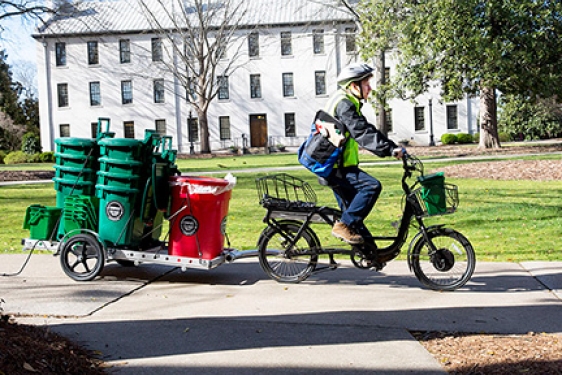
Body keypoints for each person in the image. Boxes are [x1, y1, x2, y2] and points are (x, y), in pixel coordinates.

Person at [325, 62, 405, 245]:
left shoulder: (344, 100)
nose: (370, 88)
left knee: (353, 214)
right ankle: (342, 226)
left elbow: (364, 129)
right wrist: (390, 149)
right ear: (354, 86)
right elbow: (361, 132)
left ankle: (371, 255)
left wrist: (389, 145)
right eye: (366, 84)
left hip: (336, 167)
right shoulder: (344, 105)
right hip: (338, 168)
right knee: (371, 187)